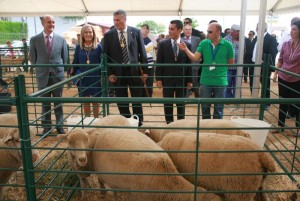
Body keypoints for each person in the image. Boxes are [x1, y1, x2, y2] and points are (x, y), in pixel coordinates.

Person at [178, 22, 234, 119]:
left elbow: (230, 63)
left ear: (218, 32)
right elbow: (195, 58)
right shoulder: (204, 43)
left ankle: (216, 130)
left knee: (219, 109)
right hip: (205, 80)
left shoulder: (228, 45)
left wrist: (218, 66)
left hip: (220, 81)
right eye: (207, 31)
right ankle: (205, 129)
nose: (207, 33)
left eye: (210, 31)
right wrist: (186, 49)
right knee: (205, 108)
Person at [103, 9, 148, 127]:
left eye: (118, 20)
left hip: (134, 71)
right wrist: (109, 73)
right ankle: (126, 122)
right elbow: (105, 56)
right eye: (114, 20)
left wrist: (145, 71)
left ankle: (138, 122)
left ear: (125, 19)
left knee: (136, 98)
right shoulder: (108, 35)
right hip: (117, 72)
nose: (116, 22)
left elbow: (142, 53)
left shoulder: (136, 32)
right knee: (121, 99)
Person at [30, 15, 68, 135]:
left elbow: (65, 58)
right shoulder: (34, 39)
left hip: (57, 76)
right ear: (43, 24)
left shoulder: (61, 39)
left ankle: (59, 126)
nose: (51, 24)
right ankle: (46, 127)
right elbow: (32, 58)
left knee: (58, 101)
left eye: (53, 22)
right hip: (42, 76)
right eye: (49, 22)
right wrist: (41, 68)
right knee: (45, 102)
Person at [156, 20, 193, 124]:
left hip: (182, 80)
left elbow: (189, 64)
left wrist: (190, 80)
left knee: (181, 104)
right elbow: (159, 62)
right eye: (169, 29)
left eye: (172, 29)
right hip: (167, 79)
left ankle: (180, 125)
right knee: (167, 103)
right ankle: (169, 125)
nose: (169, 31)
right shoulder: (163, 44)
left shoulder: (187, 45)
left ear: (179, 30)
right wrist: (158, 79)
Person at [270, 21, 300, 136]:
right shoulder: (286, 44)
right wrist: (276, 73)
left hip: (297, 79)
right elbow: (280, 59)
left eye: (294, 29)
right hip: (283, 77)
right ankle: (280, 125)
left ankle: (298, 127)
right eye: (291, 29)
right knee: (282, 101)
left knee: (296, 104)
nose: (291, 31)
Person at [71, 25, 102, 118]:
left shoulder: (99, 47)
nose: (88, 34)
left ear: (93, 34)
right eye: (86, 32)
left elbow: (102, 63)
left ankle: (96, 121)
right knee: (86, 101)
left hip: (95, 78)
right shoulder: (78, 47)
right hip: (83, 78)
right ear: (82, 34)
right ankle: (88, 121)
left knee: (95, 101)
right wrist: (72, 73)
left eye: (90, 32)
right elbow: (75, 62)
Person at [251, 22, 278, 110]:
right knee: (253, 82)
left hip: (264, 66)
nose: (257, 29)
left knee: (265, 85)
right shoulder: (256, 38)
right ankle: (254, 100)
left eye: (259, 27)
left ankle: (266, 103)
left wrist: (267, 64)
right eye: (257, 27)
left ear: (265, 28)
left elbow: (273, 52)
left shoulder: (270, 38)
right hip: (253, 64)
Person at [182, 23, 201, 97]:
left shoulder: (197, 39)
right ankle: (185, 97)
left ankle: (198, 97)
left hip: (195, 63)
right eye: (186, 29)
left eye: (189, 29)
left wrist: (199, 59)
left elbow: (200, 50)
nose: (188, 31)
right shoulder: (180, 39)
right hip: (184, 64)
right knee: (185, 81)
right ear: (183, 31)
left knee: (195, 81)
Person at [224, 24, 240, 98]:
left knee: (237, 83)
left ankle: (236, 98)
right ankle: (228, 99)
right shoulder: (226, 39)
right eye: (237, 31)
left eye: (240, 31)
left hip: (239, 66)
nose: (239, 33)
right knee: (228, 83)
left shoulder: (242, 40)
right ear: (232, 31)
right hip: (228, 67)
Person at [141, 24, 155, 97]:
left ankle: (148, 96)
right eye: (141, 28)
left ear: (147, 31)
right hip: (141, 64)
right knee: (141, 80)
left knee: (149, 81)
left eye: (144, 28)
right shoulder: (139, 39)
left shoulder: (148, 41)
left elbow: (146, 53)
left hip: (149, 64)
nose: (142, 30)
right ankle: (142, 95)